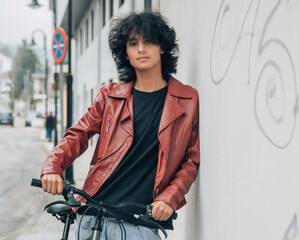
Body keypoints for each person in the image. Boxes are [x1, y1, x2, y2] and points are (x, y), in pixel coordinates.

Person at [40, 11, 200, 240]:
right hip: (93, 218)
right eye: (133, 43)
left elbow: (190, 160)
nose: (141, 49)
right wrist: (53, 166)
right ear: (125, 53)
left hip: (141, 224)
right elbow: (78, 135)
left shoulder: (187, 99)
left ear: (162, 47)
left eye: (149, 41)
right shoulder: (110, 97)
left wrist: (170, 197)